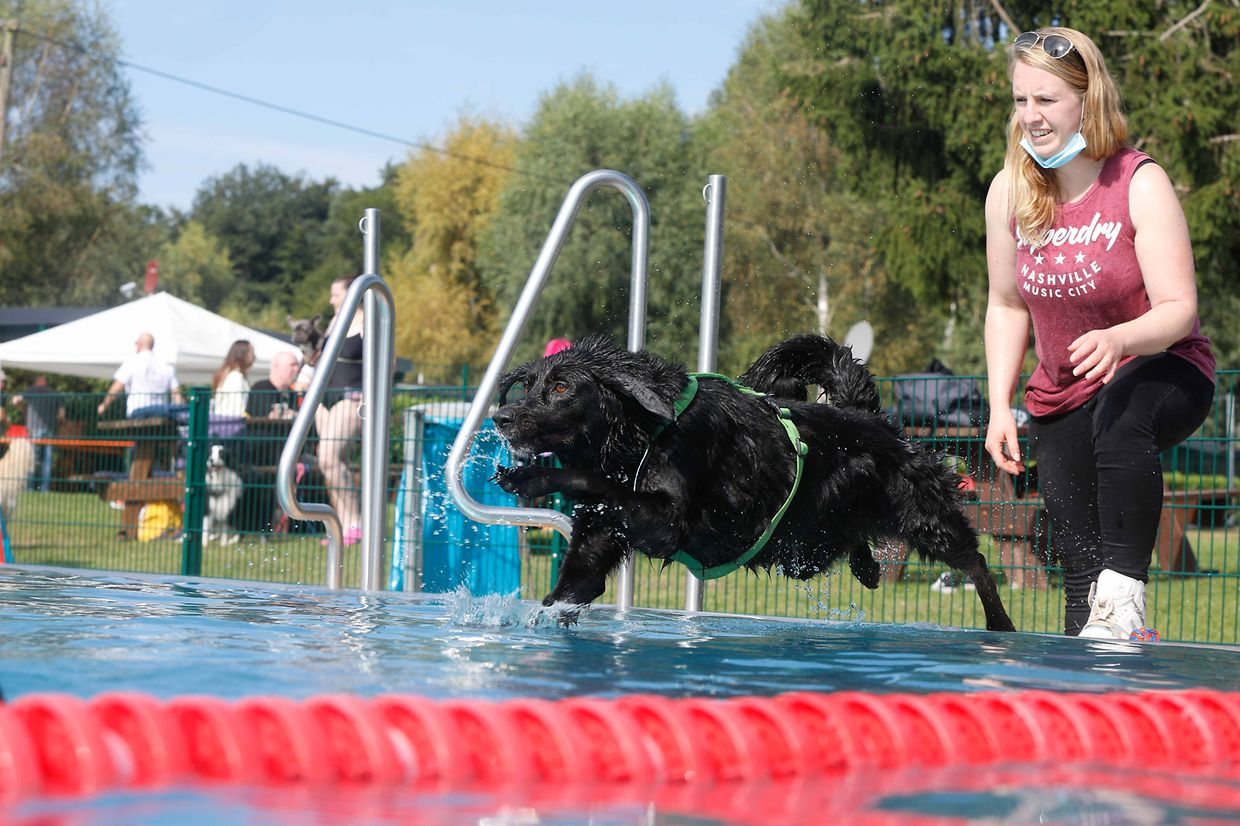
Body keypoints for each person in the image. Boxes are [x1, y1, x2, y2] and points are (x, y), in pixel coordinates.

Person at [983, 27, 1215, 640]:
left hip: (1164, 368)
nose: (1030, 117)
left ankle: (1127, 600)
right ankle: (1092, 691)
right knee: (1080, 579)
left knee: (1120, 415)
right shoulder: (1009, 191)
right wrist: (997, 405)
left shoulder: (1138, 181)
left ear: (1088, 101)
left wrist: (1119, 341)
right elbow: (1006, 305)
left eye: (1047, 101)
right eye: (1020, 100)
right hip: (1063, 392)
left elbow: (1178, 309)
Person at [314, 275, 364, 546]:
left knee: (328, 458)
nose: (331, 300)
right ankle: (342, 523)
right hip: (326, 397)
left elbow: (385, 364)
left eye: (336, 294)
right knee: (332, 465)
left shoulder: (367, 321)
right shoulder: (335, 322)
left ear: (351, 294)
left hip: (352, 396)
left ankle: (356, 521)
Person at [97, 333, 184, 419]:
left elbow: (117, 387)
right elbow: (176, 394)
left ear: (140, 344)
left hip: (138, 411)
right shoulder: (166, 366)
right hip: (163, 413)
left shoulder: (132, 362)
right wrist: (181, 413)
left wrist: (103, 406)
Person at [12, 376, 63, 492]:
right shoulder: (54, 393)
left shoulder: (32, 390)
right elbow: (61, 415)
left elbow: (15, 400)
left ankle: (30, 488)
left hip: (34, 428)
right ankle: (44, 489)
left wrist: (23, 411)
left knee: (32, 459)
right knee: (47, 460)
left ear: (37, 382)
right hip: (50, 429)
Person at [246, 350, 301, 420]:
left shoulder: (292, 394)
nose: (296, 369)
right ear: (276, 366)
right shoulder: (261, 388)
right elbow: (265, 416)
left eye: (297, 365)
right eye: (292, 365)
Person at [210, 340, 256, 420]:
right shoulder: (235, 376)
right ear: (242, 354)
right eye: (251, 352)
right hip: (231, 425)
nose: (254, 357)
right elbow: (238, 407)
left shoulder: (229, 373)